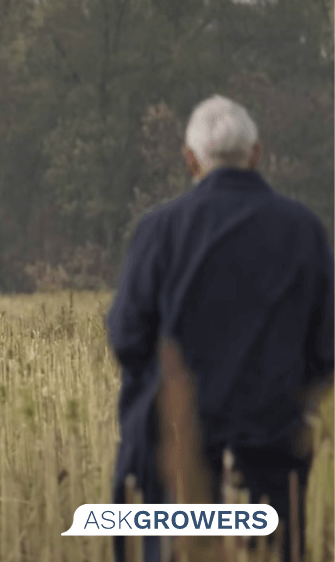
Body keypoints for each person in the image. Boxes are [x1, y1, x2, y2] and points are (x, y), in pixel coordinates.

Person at [106, 94, 334, 562]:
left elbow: (127, 338)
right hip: (270, 455)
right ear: (256, 154)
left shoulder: (160, 231)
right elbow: (326, 349)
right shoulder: (304, 231)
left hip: (171, 455)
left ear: (190, 160)